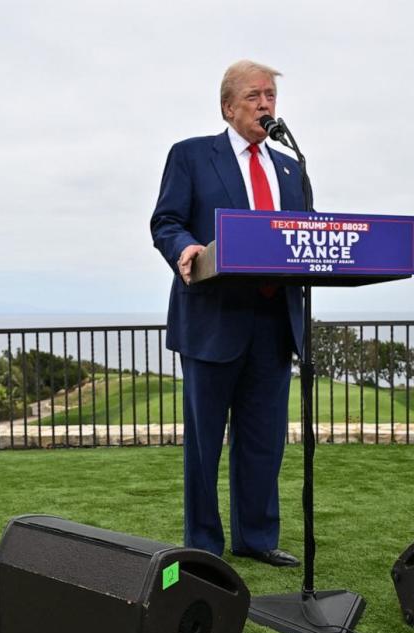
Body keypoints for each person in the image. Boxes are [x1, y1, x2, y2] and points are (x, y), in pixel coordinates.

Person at [150, 60, 306, 567]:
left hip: (273, 324)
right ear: (228, 107)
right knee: (204, 445)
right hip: (213, 321)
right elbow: (166, 221)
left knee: (263, 441)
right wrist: (186, 247)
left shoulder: (291, 166)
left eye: (271, 96)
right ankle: (203, 546)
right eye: (254, 97)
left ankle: (256, 539)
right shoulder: (192, 156)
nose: (266, 105)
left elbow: (303, 238)